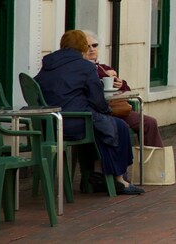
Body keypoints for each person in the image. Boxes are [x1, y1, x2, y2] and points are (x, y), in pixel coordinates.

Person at [34, 30, 144, 195]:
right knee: (118, 126)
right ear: (82, 47)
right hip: (74, 122)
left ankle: (95, 177)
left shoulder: (48, 65)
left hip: (48, 124)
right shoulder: (85, 66)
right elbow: (97, 100)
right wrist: (107, 111)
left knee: (103, 125)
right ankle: (119, 179)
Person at [83, 31, 164, 147]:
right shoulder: (82, 68)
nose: (92, 49)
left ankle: (153, 162)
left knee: (149, 122)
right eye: (87, 46)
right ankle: (118, 163)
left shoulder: (103, 67)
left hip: (116, 109)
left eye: (94, 45)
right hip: (99, 112)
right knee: (120, 127)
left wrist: (120, 84)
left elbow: (126, 90)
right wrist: (105, 75)